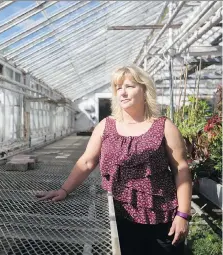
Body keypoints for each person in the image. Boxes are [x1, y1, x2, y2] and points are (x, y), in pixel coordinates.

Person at [36, 65, 192, 255]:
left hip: (162, 218)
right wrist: (64, 190)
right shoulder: (106, 126)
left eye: (130, 86)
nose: (123, 93)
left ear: (144, 90)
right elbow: (86, 162)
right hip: (119, 218)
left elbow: (181, 169)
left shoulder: (164, 126)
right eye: (118, 88)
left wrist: (183, 214)